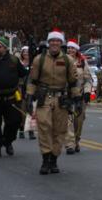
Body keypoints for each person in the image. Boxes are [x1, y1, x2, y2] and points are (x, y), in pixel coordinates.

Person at [26, 29, 81, 175]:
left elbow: (74, 82)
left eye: (57, 41)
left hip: (61, 99)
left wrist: (77, 100)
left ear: (61, 43)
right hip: (44, 98)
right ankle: (45, 159)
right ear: (49, 43)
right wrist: (29, 97)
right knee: (44, 128)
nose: (55, 43)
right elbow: (32, 79)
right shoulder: (40, 59)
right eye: (52, 41)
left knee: (60, 130)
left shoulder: (68, 60)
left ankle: (54, 158)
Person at [64, 39, 93, 154]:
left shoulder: (82, 61)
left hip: (80, 97)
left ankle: (76, 141)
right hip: (67, 96)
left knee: (78, 121)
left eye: (73, 48)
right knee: (68, 121)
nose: (70, 50)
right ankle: (69, 145)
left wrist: (87, 92)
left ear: (76, 50)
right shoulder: (63, 60)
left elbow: (87, 79)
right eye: (69, 48)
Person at [17, 46, 36, 140]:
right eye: (24, 52)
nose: (26, 53)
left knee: (31, 111)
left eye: (27, 52)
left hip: (31, 90)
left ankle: (31, 131)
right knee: (22, 111)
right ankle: (21, 130)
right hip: (21, 89)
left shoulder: (33, 64)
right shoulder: (19, 64)